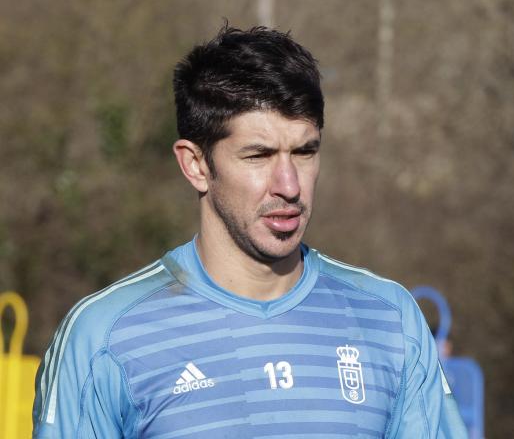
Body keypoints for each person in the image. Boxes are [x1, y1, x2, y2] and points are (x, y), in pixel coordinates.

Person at [32, 25, 468, 438]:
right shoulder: (104, 337)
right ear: (196, 165)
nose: (289, 185)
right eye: (258, 156)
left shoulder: (390, 320)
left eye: (304, 152)